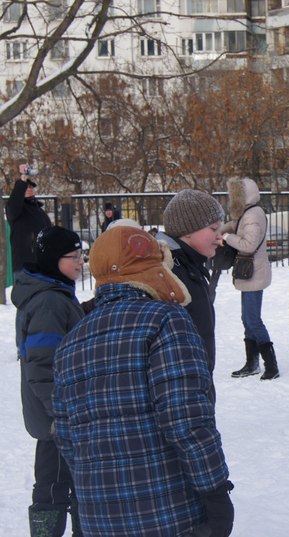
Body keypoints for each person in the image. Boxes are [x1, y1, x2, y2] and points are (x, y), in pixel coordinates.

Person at [51, 225, 234, 537]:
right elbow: (185, 418)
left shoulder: (72, 340)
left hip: (99, 517)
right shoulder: (166, 320)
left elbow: (66, 436)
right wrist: (215, 490)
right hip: (166, 512)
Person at [12, 226, 85, 536]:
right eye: (75, 257)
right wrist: (61, 413)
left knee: (66, 484)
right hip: (56, 418)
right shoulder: (49, 302)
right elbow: (42, 367)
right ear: (55, 260)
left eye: (83, 255)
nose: (82, 262)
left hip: (58, 415)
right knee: (55, 487)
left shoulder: (56, 296)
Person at [162, 189, 226, 402]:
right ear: (187, 230)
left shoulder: (191, 266)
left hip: (197, 382)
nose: (220, 237)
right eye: (213, 228)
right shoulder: (170, 272)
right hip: (182, 392)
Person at [222, 177, 278, 381]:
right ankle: (252, 363)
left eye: (235, 195)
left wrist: (227, 238)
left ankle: (271, 365)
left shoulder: (253, 215)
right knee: (247, 319)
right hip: (249, 272)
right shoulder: (247, 213)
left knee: (253, 320)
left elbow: (248, 244)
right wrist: (220, 230)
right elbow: (235, 225)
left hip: (254, 273)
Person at [5, 166, 52, 276]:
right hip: (24, 267)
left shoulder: (39, 211)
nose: (29, 189)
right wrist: (22, 181)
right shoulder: (16, 211)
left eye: (31, 187)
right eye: (25, 187)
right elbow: (14, 204)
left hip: (42, 265)